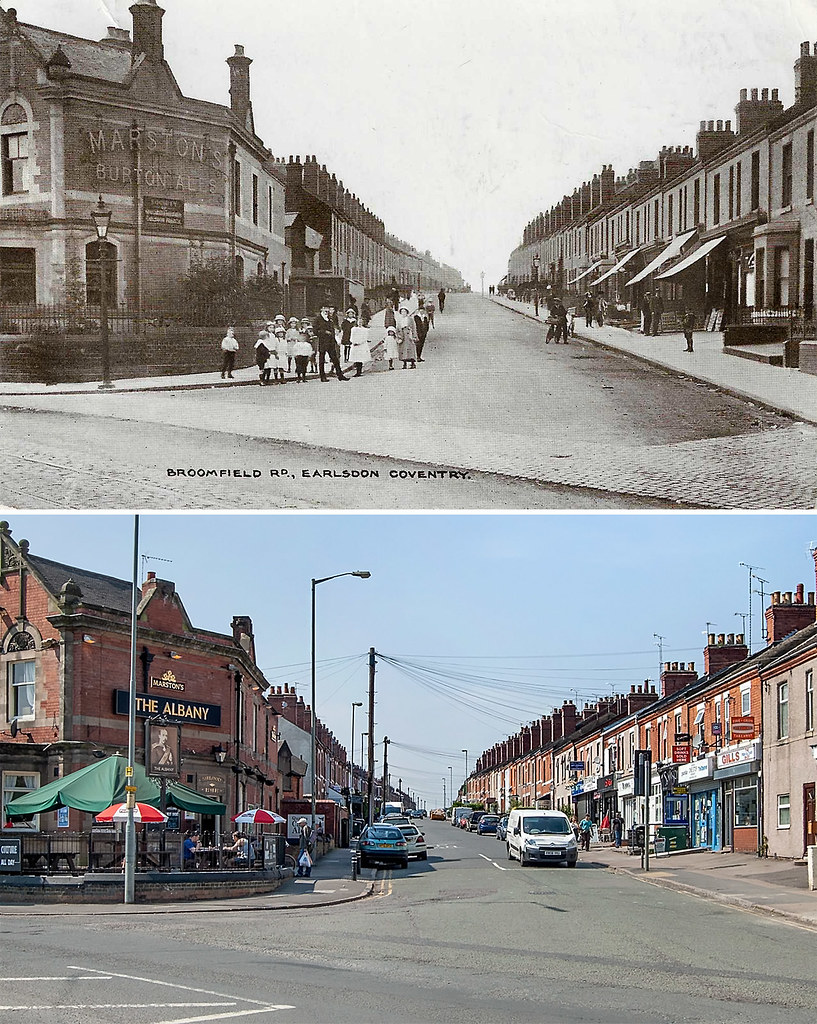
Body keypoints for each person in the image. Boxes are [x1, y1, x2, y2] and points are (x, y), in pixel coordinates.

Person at [313, 304, 348, 381]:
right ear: (321, 309)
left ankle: (340, 375)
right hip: (323, 342)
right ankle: (322, 376)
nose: (327, 310)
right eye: (325, 308)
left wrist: (334, 337)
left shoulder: (330, 318)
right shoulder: (318, 319)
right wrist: (324, 332)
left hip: (331, 342)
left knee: (335, 359)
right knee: (321, 359)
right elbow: (315, 331)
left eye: (328, 309)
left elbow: (332, 329)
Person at [397, 302, 418, 369]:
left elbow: (413, 327)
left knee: (410, 349)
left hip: (409, 335)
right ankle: (404, 363)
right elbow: (398, 328)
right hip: (402, 335)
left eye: (404, 312)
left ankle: (412, 363)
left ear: (407, 312)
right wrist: (398, 336)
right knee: (403, 349)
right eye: (402, 312)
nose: (403, 313)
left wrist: (414, 335)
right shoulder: (400, 320)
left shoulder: (410, 319)